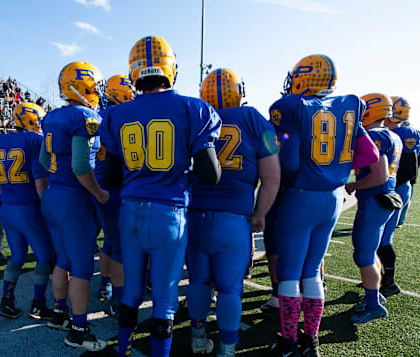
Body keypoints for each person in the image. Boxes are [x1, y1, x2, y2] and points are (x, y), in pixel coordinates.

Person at [99, 36, 222, 357]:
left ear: (133, 71)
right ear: (171, 68)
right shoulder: (193, 108)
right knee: (165, 301)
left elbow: (110, 176)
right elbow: (211, 174)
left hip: (130, 212)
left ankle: (124, 349)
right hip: (169, 214)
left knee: (131, 294)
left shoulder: (116, 115)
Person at [268, 55, 377, 356]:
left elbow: (289, 161)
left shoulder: (292, 107)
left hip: (300, 196)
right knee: (312, 271)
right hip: (332, 197)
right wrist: (334, 167)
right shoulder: (350, 105)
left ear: (303, 78)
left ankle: (289, 341)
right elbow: (369, 156)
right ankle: (311, 340)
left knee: (289, 272)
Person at [186, 69, 280, 357]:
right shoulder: (253, 118)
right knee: (229, 288)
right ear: (238, 90)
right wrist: (260, 214)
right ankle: (227, 348)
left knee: (199, 281)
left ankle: (198, 338)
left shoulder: (194, 115)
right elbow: (272, 177)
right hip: (234, 220)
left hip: (196, 216)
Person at [39, 61, 110, 351]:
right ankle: (79, 330)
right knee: (81, 268)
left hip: (54, 194)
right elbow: (81, 165)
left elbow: (44, 161)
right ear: (84, 85)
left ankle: (58, 314)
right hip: (74, 199)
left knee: (63, 261)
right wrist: (100, 193)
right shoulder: (85, 116)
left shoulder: (52, 117)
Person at [0, 102, 55, 321]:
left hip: (7, 208)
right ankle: (38, 304)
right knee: (45, 256)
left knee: (16, 256)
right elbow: (39, 181)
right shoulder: (34, 140)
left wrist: (10, 195)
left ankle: (6, 302)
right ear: (32, 119)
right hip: (30, 209)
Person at [346, 94, 402, 323]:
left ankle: (373, 304)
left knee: (363, 253)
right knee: (372, 250)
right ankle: (375, 294)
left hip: (375, 198)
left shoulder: (375, 135)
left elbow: (379, 175)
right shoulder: (392, 135)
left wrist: (353, 184)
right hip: (386, 198)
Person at [93, 75, 135, 318]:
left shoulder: (101, 113)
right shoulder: (119, 115)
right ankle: (118, 297)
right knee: (120, 244)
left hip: (102, 180)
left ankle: (105, 285)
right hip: (117, 183)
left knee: (110, 240)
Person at [385, 97, 420, 230]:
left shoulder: (386, 134)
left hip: (390, 184)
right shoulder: (414, 133)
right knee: (389, 231)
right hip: (407, 183)